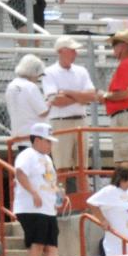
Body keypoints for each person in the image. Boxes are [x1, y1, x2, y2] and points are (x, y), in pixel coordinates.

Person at [11, 122, 75, 256]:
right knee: (38, 244)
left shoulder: (47, 159)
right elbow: (20, 173)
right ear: (37, 140)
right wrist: (33, 193)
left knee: (51, 246)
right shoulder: (28, 155)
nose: (50, 145)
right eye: (47, 141)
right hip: (31, 208)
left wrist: (57, 195)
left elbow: (49, 182)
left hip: (47, 209)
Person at [42, 36, 99, 192]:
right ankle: (63, 204)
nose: (75, 53)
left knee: (83, 167)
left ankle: (83, 203)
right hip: (61, 122)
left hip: (78, 120)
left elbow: (91, 95)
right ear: (61, 51)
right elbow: (55, 100)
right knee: (62, 168)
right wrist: (80, 97)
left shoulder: (81, 71)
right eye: (72, 50)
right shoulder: (49, 72)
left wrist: (67, 93)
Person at [100, 30, 128, 179]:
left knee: (126, 163)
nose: (113, 48)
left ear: (124, 46)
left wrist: (104, 96)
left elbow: (123, 94)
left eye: (115, 44)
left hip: (125, 116)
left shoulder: (125, 65)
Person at [5, 54, 50, 146]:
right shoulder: (30, 87)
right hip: (35, 137)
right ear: (34, 72)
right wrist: (51, 102)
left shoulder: (11, 86)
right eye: (38, 75)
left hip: (18, 135)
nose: (38, 78)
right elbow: (43, 112)